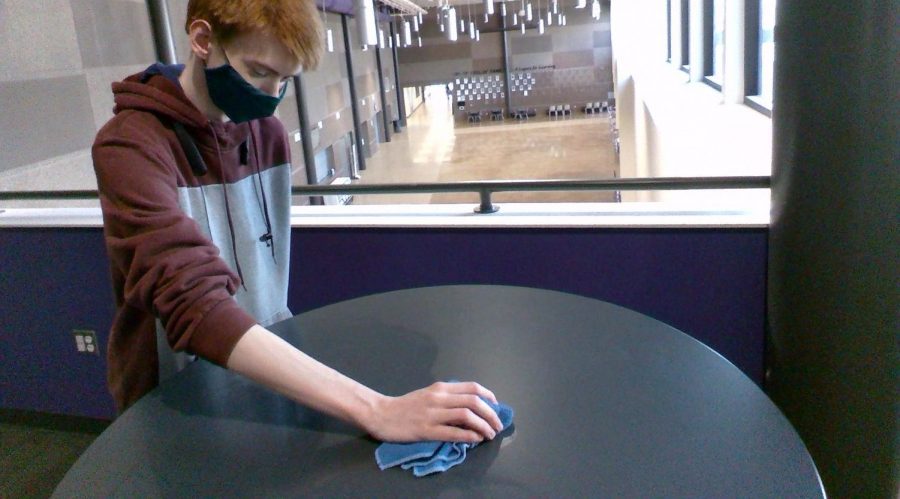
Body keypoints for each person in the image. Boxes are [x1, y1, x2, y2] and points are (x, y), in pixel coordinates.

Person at [92, 0, 502, 444]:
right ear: (203, 40)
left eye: (285, 80)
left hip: (265, 381)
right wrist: (377, 409)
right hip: (173, 399)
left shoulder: (266, 133)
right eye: (259, 72)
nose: (271, 95)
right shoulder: (129, 145)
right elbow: (190, 298)